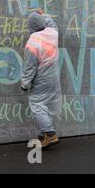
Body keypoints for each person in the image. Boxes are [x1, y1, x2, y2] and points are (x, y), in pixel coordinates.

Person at [21, 9, 62, 149]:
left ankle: (50, 133)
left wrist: (25, 84)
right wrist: (44, 14)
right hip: (54, 78)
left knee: (37, 106)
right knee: (47, 107)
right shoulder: (53, 33)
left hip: (40, 79)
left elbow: (29, 67)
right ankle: (44, 136)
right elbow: (52, 23)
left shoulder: (32, 43)